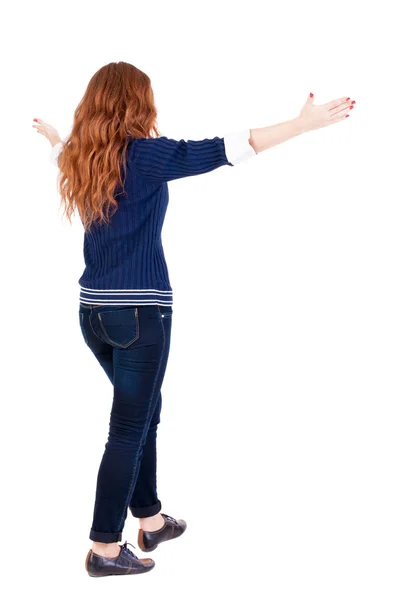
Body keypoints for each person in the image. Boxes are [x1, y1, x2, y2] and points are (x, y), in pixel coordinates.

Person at [32, 61, 355, 578]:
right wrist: (301, 125)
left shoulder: (84, 158)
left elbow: (61, 156)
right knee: (128, 427)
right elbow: (223, 149)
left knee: (144, 414)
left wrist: (55, 138)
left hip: (92, 313)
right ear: (139, 103)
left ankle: (152, 518)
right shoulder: (146, 155)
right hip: (139, 314)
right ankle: (105, 549)